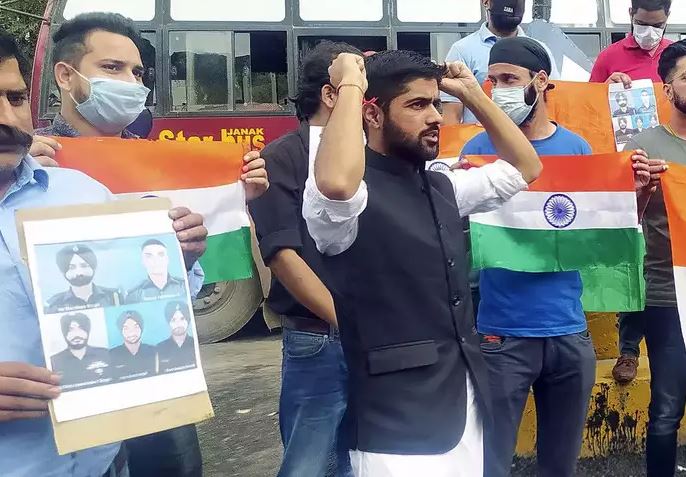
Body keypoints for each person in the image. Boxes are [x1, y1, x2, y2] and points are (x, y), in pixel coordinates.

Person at [27, 13, 268, 477]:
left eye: (137, 73)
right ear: (65, 75)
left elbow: (179, 286)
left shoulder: (158, 164)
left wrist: (227, 207)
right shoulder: (29, 166)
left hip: (154, 374)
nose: (131, 83)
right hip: (66, 385)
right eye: (112, 68)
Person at [303, 49, 542, 475]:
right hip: (398, 430)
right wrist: (351, 82)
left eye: (435, 103)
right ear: (372, 114)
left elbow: (525, 166)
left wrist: (472, 94)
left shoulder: (442, 185)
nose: (435, 117)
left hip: (467, 407)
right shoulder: (346, 201)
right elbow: (337, 183)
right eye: (417, 105)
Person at [458, 36, 656, 477]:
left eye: (510, 79)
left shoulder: (577, 149)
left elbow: (601, 236)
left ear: (540, 81)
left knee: (561, 465)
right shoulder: (476, 152)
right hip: (501, 335)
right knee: (490, 462)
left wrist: (637, 198)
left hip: (569, 332)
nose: (499, 89)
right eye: (493, 81)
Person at [249, 41, 361, 477]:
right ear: (332, 94)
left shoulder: (368, 155)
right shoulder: (281, 157)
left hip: (374, 336)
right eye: (359, 88)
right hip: (319, 338)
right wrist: (348, 323)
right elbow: (283, 256)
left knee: (361, 460)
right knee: (309, 464)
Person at [623, 39, 686, 477]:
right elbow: (624, 222)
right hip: (667, 293)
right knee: (667, 407)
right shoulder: (644, 147)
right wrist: (642, 192)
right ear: (667, 88)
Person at [441, 0, 559, 125]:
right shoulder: (462, 50)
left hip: (531, 136)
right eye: (493, 81)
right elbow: (451, 116)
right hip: (478, 135)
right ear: (486, 2)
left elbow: (553, 102)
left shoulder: (540, 50)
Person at [590, 0, 672, 87]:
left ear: (668, 16)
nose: (649, 33)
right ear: (631, 13)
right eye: (641, 24)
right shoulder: (608, 56)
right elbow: (590, 95)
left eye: (658, 25)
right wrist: (605, 89)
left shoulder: (677, 55)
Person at [46, 243, 121, 313]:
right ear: (63, 272)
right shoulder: (54, 304)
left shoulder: (114, 296)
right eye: (72, 267)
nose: (79, 272)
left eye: (84, 266)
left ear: (94, 267)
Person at [51, 313, 111, 389]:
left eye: (80, 329)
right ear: (64, 334)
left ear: (87, 332)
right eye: (71, 330)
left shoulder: (105, 354)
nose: (76, 335)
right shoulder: (54, 361)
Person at [127, 239, 185, 303]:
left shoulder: (184, 286)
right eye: (149, 256)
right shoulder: (135, 295)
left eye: (161, 255)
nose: (156, 260)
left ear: (167, 259)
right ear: (143, 261)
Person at [110, 310, 157, 380]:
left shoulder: (154, 351)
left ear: (141, 329)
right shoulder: (112, 355)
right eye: (126, 328)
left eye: (136, 327)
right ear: (121, 331)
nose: (131, 332)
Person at [157, 301, 196, 374]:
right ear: (168, 323)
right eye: (173, 320)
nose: (178, 324)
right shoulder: (159, 348)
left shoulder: (195, 343)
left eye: (182, 318)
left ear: (188, 320)